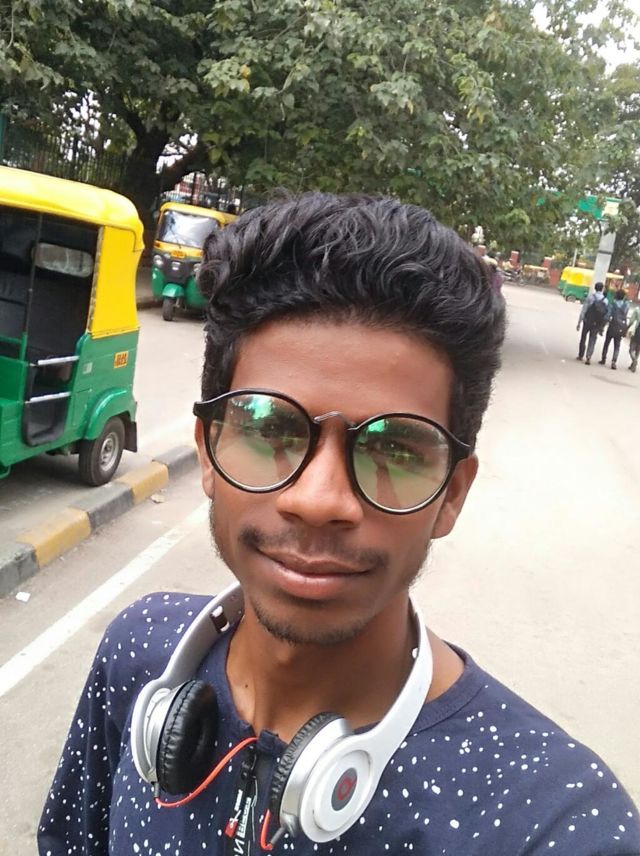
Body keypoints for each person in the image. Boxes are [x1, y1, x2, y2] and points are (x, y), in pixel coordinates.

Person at [38, 194, 640, 855]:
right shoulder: (137, 657)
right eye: (270, 428)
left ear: (452, 495)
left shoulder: (552, 823)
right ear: (207, 451)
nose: (319, 500)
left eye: (394, 448)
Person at [576, 281, 608, 365]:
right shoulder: (605, 300)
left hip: (587, 321)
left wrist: (579, 322)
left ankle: (581, 355)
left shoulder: (590, 297)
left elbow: (584, 310)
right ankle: (588, 356)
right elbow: (605, 315)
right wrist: (602, 326)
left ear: (595, 288)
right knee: (592, 339)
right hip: (597, 323)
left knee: (583, 338)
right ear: (602, 289)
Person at [599, 288, 630, 369]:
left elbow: (608, 316)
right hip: (620, 327)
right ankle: (614, 361)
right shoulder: (626, 305)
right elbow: (625, 314)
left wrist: (602, 326)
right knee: (617, 345)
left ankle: (603, 358)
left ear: (616, 296)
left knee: (607, 343)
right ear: (623, 297)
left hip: (612, 326)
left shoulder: (613, 304)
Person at [627, 303, 640, 372]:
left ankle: (634, 361)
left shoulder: (637, 309)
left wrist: (627, 327)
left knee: (631, 350)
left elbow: (631, 320)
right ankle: (633, 364)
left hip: (637, 331)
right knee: (638, 350)